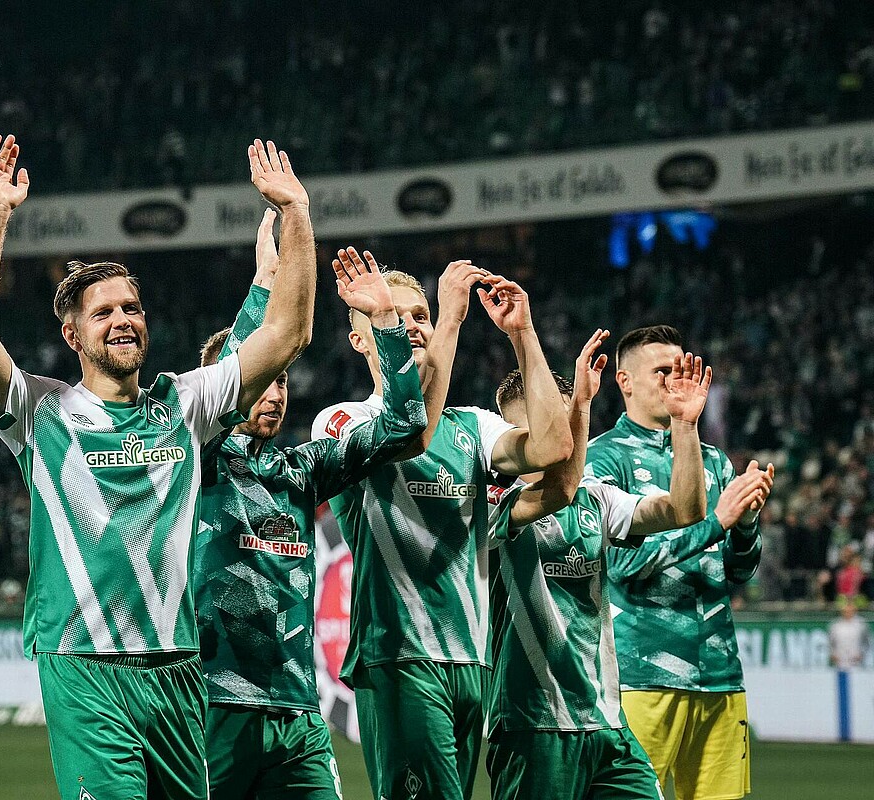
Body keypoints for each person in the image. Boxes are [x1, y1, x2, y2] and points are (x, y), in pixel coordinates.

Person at [0, 135, 317, 800]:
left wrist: (297, 211)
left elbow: (288, 336)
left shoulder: (185, 403)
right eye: (104, 311)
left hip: (178, 671)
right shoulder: (40, 412)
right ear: (73, 335)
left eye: (131, 308)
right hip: (85, 668)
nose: (123, 320)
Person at [311, 252, 573, 800]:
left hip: (471, 660)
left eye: (422, 315)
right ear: (362, 339)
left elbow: (554, 446)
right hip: (400, 655)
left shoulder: (473, 427)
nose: (413, 325)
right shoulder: (342, 420)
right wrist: (451, 320)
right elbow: (411, 434)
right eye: (395, 315)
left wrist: (524, 337)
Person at [195, 211, 426, 799]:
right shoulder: (197, 462)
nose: (274, 392)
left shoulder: (298, 472)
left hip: (299, 714)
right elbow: (230, 385)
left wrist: (385, 322)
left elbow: (403, 421)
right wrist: (265, 287)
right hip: (215, 707)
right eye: (263, 378)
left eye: (281, 380)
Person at [486, 333, 773, 800]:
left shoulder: (606, 496)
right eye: (543, 427)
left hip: (624, 709)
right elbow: (626, 561)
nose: (557, 437)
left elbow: (689, 517)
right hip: (574, 699)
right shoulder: (499, 505)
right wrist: (528, 341)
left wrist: (740, 522)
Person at [586, 325, 775, 800]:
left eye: (681, 369)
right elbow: (625, 566)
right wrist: (716, 522)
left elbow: (737, 571)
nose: (674, 379)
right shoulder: (602, 461)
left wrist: (746, 524)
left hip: (720, 678)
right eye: (661, 371)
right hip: (641, 677)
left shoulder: (714, 462)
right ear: (625, 381)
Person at [829, 597, 871, 669]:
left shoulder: (861, 624)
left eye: (850, 610)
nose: (848, 613)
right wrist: (833, 653)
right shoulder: (836, 625)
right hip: (840, 660)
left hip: (856, 660)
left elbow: (867, 642)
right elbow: (830, 642)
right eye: (845, 611)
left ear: (854, 610)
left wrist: (861, 653)